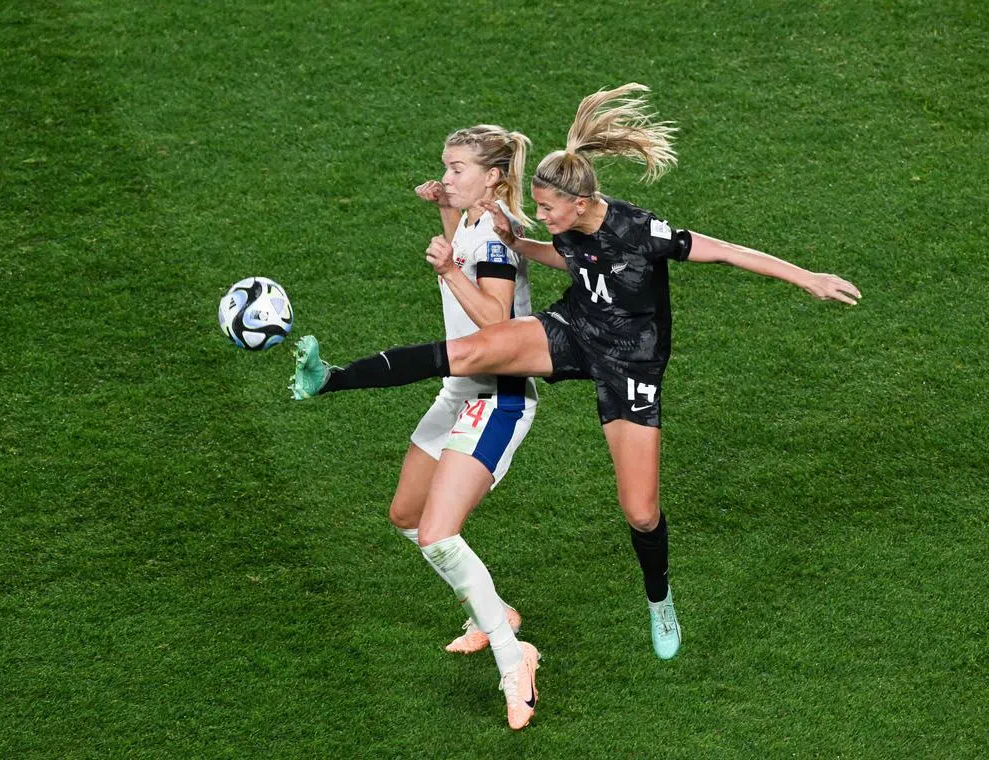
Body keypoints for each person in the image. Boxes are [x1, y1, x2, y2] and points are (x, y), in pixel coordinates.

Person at [291, 84, 861, 722]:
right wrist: (508, 238)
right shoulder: (561, 225)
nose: (541, 216)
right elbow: (554, 254)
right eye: (534, 205)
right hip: (574, 331)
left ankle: (659, 597)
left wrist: (806, 277)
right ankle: (333, 378)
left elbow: (724, 250)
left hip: (631, 364)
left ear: (584, 202)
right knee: (476, 353)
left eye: (548, 209)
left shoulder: (639, 229)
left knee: (640, 511)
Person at [291, 125, 542, 729]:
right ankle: (497, 613)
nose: (446, 177)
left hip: (498, 397)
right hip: (460, 390)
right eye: (445, 167)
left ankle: (516, 660)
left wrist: (447, 265)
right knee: (407, 516)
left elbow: (497, 323)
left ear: (493, 178)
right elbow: (464, 280)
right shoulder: (476, 222)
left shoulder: (501, 236)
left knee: (437, 533)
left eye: (457, 170)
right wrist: (448, 214)